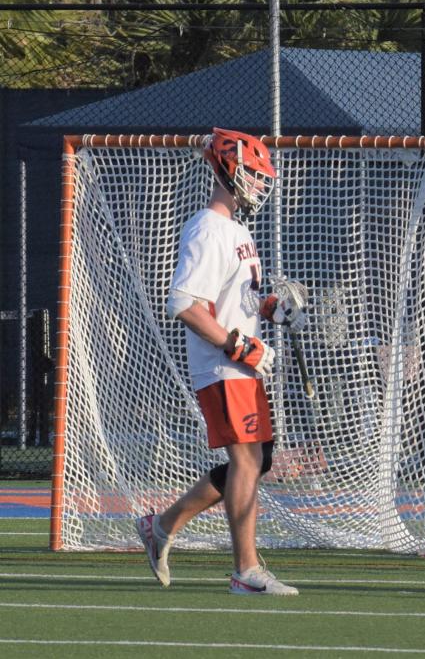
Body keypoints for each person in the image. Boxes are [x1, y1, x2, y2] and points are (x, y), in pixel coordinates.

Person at [136, 128, 304, 596]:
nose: (260, 184)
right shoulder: (209, 228)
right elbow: (186, 303)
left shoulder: (237, 229)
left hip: (239, 363)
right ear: (228, 168)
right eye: (253, 173)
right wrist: (239, 346)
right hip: (223, 364)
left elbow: (234, 296)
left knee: (258, 458)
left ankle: (161, 526)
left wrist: (267, 307)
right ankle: (245, 571)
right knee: (247, 460)